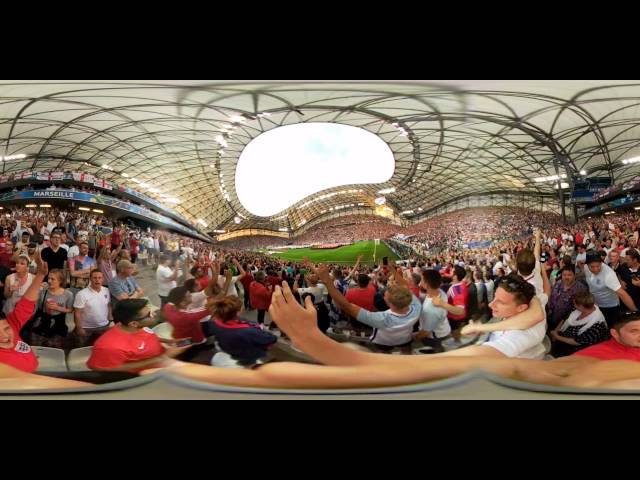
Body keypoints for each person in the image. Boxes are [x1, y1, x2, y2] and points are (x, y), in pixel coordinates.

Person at [87, 298, 190, 372]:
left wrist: (170, 341)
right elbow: (101, 368)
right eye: (148, 314)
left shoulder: (134, 326)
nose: (153, 314)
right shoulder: (109, 347)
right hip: (150, 374)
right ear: (133, 323)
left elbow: (148, 336)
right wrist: (162, 358)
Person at [0, 251, 48, 373]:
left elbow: (25, 304)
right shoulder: (9, 278)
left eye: (6, 329)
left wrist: (40, 275)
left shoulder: (12, 324)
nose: (4, 335)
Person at [209, 295, 278, 366]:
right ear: (237, 312)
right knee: (250, 363)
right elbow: (271, 339)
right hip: (245, 354)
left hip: (227, 347)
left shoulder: (214, 322)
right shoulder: (248, 331)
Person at [583, 251, 637, 327]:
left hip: (610, 307)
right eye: (592, 267)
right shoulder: (585, 267)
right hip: (596, 305)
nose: (596, 269)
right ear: (587, 265)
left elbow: (622, 294)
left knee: (611, 328)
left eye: (598, 266)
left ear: (601, 263)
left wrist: (635, 311)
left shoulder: (609, 274)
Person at [550, 291, 609, 357]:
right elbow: (565, 318)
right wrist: (556, 331)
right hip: (563, 336)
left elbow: (578, 342)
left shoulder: (597, 325)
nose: (574, 305)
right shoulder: (578, 308)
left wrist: (557, 337)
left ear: (581, 306)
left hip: (576, 349)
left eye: (575, 304)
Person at [31, 269, 74, 347]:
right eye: (49, 278)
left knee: (53, 347)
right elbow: (37, 306)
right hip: (43, 322)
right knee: (37, 345)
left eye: (53, 279)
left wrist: (57, 308)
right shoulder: (44, 291)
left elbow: (70, 310)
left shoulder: (68, 294)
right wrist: (38, 288)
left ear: (60, 281)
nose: (49, 281)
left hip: (58, 323)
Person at [73, 270, 112, 347]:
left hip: (103, 326)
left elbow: (108, 305)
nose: (97, 280)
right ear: (90, 279)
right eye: (94, 278)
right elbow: (77, 313)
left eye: (99, 278)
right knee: (83, 349)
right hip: (86, 328)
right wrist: (79, 328)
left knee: (101, 348)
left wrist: (110, 320)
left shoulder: (107, 290)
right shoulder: (82, 294)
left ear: (103, 279)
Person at [416, 269, 451, 353]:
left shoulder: (430, 309)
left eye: (422, 280)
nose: (420, 282)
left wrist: (415, 338)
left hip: (435, 338)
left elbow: (426, 332)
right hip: (443, 329)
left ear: (426, 285)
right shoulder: (440, 292)